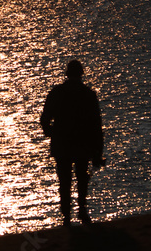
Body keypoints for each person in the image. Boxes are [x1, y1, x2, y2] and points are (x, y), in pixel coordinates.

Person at [40, 59, 104, 226]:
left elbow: (45, 119)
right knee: (81, 177)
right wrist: (98, 150)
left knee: (65, 180)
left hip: (62, 145)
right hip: (82, 144)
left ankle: (67, 216)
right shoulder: (88, 94)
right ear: (81, 74)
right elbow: (96, 125)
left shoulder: (57, 92)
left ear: (67, 74)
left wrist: (53, 134)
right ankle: (81, 209)